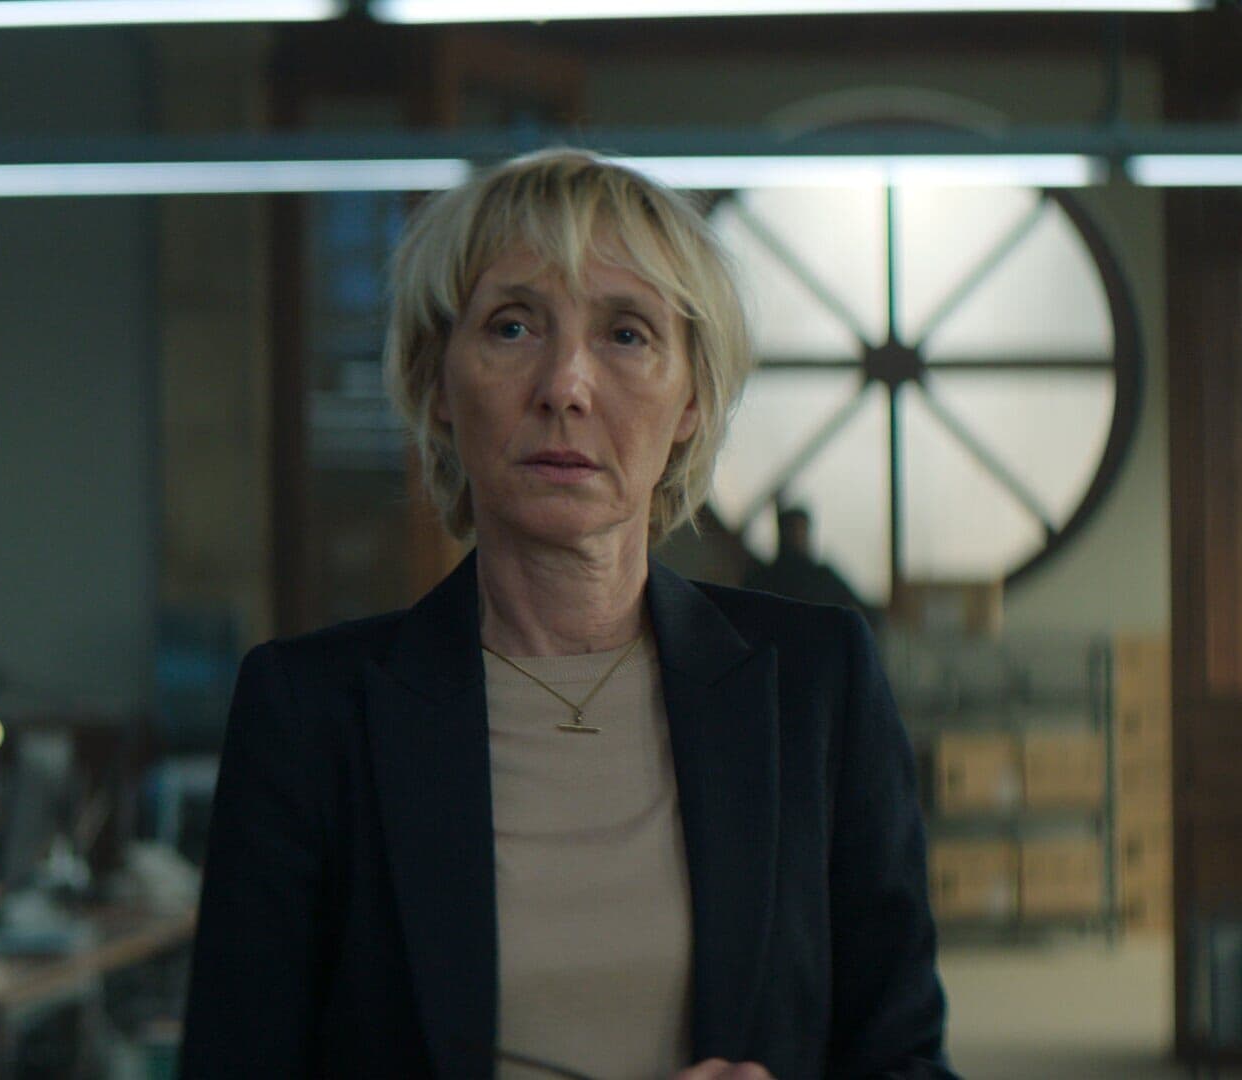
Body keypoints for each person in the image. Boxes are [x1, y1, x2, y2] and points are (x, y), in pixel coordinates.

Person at [182, 150, 953, 1080]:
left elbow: (903, 1056)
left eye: (627, 334)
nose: (566, 386)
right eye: (512, 327)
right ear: (436, 383)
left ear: (691, 400)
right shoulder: (309, 713)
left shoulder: (818, 686)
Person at [743, 506, 869, 616]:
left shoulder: (824, 578)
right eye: (792, 529)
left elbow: (861, 611)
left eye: (801, 530)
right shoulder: (763, 578)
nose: (797, 536)